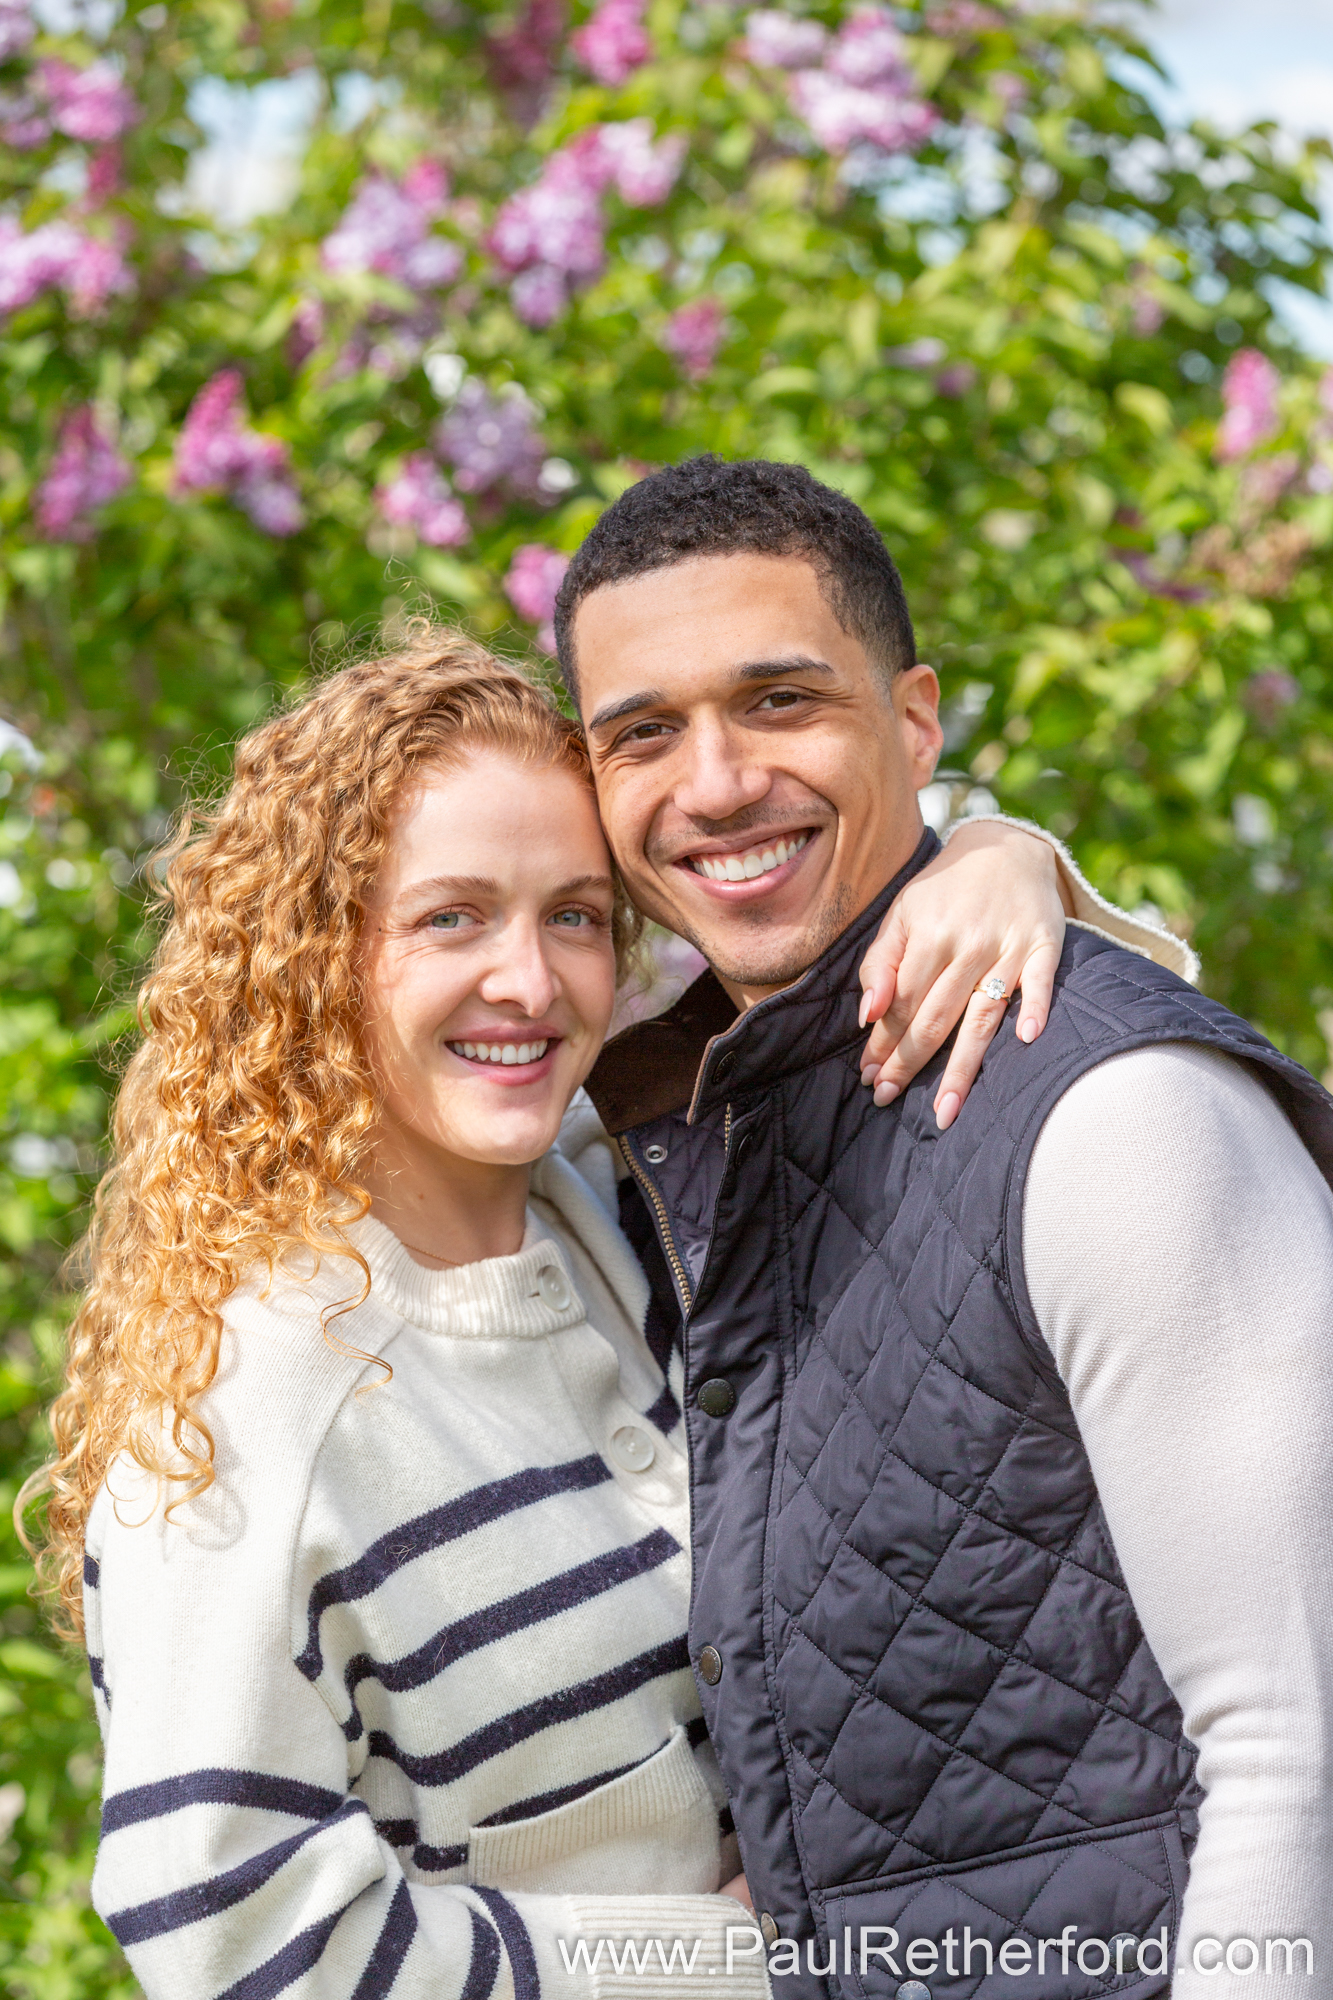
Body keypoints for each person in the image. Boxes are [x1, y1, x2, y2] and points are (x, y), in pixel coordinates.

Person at [22, 627, 1163, 1999]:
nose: (530, 981)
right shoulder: (243, 1411)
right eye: (451, 917)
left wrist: (1003, 860)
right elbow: (232, 1937)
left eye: (572, 915)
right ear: (311, 958)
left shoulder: (630, 1201)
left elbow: (1028, 1081)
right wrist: (741, 1963)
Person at [555, 456, 1333, 2000]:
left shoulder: (1117, 1112)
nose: (712, 783)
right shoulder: (661, 1147)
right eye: (641, 733)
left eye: (778, 700)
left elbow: (1297, 1750)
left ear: (913, 722)